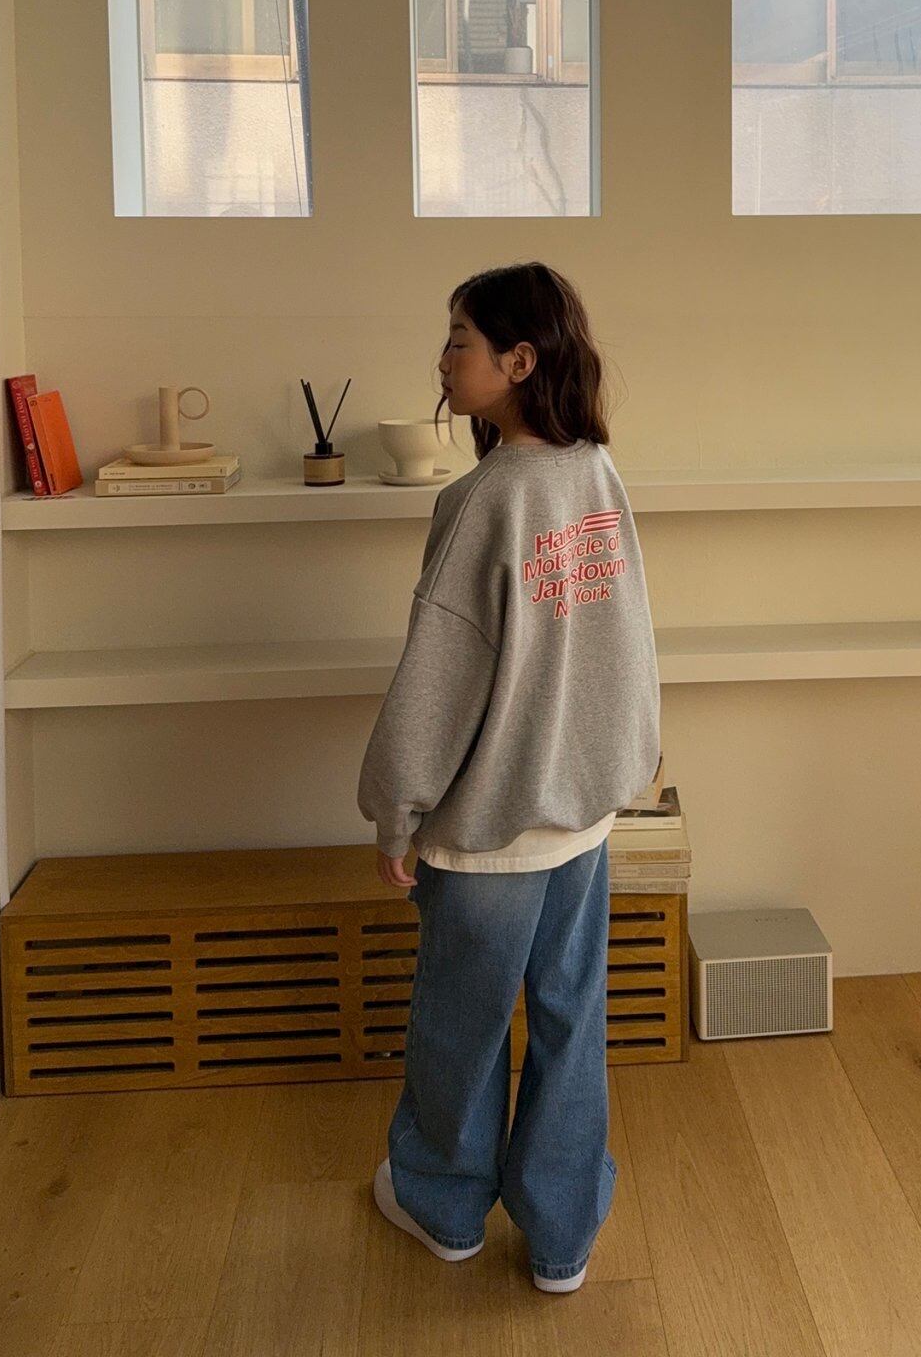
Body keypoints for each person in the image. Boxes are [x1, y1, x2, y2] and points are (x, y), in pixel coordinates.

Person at [357, 261, 662, 1293]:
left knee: (464, 1027)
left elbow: (438, 681)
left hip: (489, 834)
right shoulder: (594, 473)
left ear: (518, 361)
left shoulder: (481, 500)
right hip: (581, 819)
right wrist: (629, 758)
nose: (442, 360)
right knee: (572, 1022)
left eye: (459, 340)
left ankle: (443, 1208)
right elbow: (626, 639)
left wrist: (395, 811)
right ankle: (561, 1236)